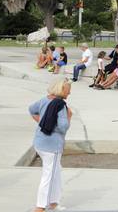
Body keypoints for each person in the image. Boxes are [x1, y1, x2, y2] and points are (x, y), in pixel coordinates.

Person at [28, 78, 72, 212]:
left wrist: (42, 122)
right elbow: (63, 127)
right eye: (68, 90)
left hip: (40, 142)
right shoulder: (60, 105)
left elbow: (31, 109)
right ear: (62, 89)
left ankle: (53, 202)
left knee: (56, 172)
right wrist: (69, 116)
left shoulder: (44, 100)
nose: (69, 93)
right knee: (49, 175)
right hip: (52, 146)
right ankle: (40, 207)